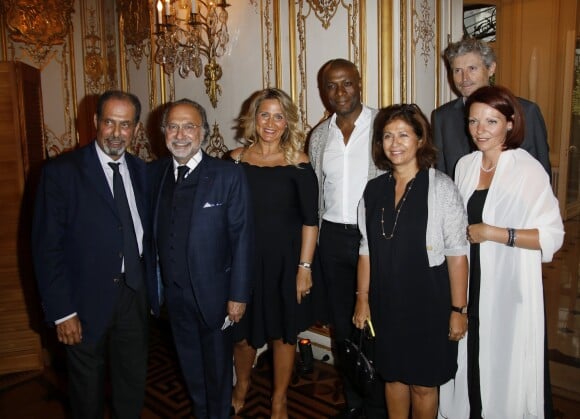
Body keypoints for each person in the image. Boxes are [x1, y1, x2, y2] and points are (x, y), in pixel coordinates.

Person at [439, 85, 565, 419]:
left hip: (509, 285)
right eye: (473, 121)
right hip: (470, 279)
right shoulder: (465, 166)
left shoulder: (527, 170)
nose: (480, 130)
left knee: (502, 361)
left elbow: (552, 234)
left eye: (491, 121)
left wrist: (496, 233)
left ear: (510, 123)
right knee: (470, 356)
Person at [32, 90, 150, 418]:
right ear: (95, 122)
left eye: (125, 125)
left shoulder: (143, 172)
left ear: (136, 129)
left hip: (133, 295)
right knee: (86, 393)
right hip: (82, 302)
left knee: (131, 385)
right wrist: (62, 312)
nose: (116, 132)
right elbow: (46, 249)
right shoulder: (61, 173)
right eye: (109, 122)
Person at [353, 104, 468, 419]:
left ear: (420, 140)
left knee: (423, 385)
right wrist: (362, 299)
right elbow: (366, 249)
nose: (395, 143)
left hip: (429, 305)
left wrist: (459, 310)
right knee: (392, 377)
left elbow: (458, 254)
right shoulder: (374, 190)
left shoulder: (440, 188)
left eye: (403, 134)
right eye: (388, 136)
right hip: (386, 303)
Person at [148, 98, 253, 419]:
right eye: (173, 126)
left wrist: (237, 296)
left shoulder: (227, 175)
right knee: (191, 369)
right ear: (163, 131)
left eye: (189, 126)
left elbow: (242, 239)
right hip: (174, 298)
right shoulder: (154, 174)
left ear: (204, 133)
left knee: (219, 375)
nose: (180, 134)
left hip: (215, 296)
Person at [229, 88, 319, 418]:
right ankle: (242, 384)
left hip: (286, 262)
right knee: (241, 335)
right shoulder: (235, 159)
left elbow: (311, 221)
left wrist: (304, 268)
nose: (270, 122)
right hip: (244, 262)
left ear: (287, 122)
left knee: (284, 334)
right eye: (264, 114)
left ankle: (279, 398)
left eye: (278, 116)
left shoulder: (299, 163)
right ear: (254, 118)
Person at [308, 58, 387, 418]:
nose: (340, 92)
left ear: (359, 83)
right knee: (343, 325)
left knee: (378, 321)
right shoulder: (319, 135)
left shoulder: (384, 125)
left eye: (347, 83)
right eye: (331, 86)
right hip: (333, 239)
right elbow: (315, 189)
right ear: (323, 92)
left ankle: (381, 403)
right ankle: (355, 402)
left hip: (376, 238)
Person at [432, 37, 551, 179]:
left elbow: (541, 175)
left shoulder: (526, 112)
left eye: (472, 68)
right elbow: (442, 178)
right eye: (457, 70)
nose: (464, 78)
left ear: (491, 69)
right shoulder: (442, 117)